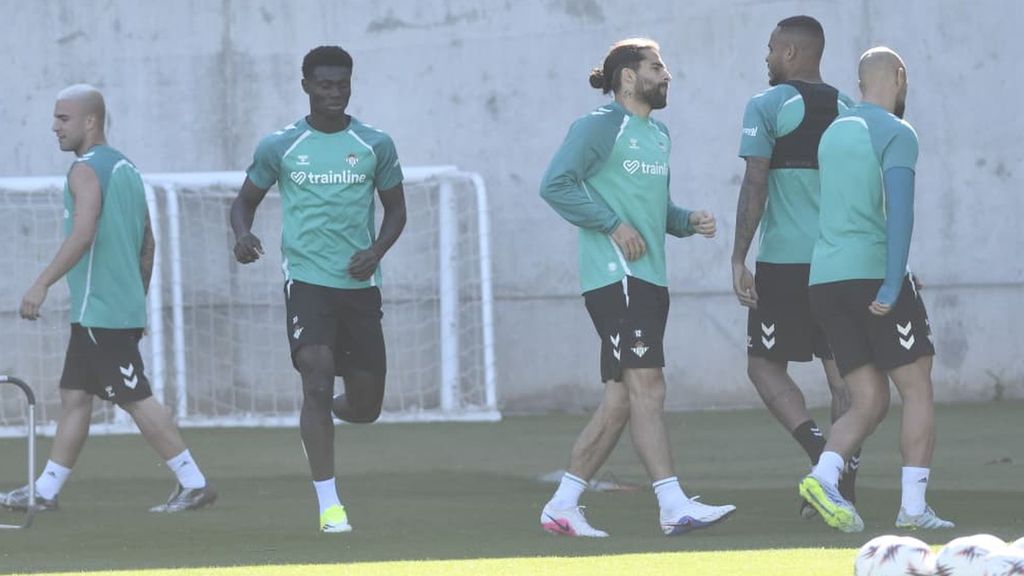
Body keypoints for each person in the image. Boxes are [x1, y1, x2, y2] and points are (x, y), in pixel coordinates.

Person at [538, 38, 735, 537]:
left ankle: (563, 504)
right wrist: (611, 224)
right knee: (649, 385)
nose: (667, 76)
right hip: (616, 279)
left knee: (621, 399)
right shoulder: (599, 125)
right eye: (657, 67)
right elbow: (555, 184)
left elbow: (657, 211)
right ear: (628, 77)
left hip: (649, 280)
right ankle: (673, 504)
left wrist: (688, 221)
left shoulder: (659, 135)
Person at [1, 84, 216, 514]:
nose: (54, 126)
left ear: (90, 121)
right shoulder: (127, 168)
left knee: (135, 397)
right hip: (111, 309)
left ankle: (194, 483)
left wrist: (41, 283)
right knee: (75, 396)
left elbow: (83, 234)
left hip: (101, 310)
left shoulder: (84, 170)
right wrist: (137, 300)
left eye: (63, 118)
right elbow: (148, 242)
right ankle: (46, 490)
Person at [230, 46, 406, 533]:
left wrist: (376, 251)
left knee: (365, 407)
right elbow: (243, 202)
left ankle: (319, 414)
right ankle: (330, 506)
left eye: (342, 84)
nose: (335, 93)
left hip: (359, 286)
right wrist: (242, 235)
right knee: (317, 374)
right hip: (307, 281)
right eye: (325, 85)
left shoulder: (375, 144)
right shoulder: (280, 145)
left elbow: (396, 211)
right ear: (306, 86)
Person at [798, 47, 954, 532]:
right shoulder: (896, 131)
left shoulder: (832, 132)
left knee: (869, 400)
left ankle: (822, 476)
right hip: (872, 277)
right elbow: (900, 212)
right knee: (917, 385)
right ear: (899, 76)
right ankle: (913, 509)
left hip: (825, 280)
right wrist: (892, 280)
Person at [731, 15, 861, 514]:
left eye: (770, 48)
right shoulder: (850, 109)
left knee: (763, 365)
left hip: (785, 262)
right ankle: (841, 481)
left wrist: (738, 257)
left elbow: (755, 182)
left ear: (789, 52)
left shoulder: (767, 104)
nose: (766, 57)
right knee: (843, 377)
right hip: (842, 263)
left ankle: (818, 454)